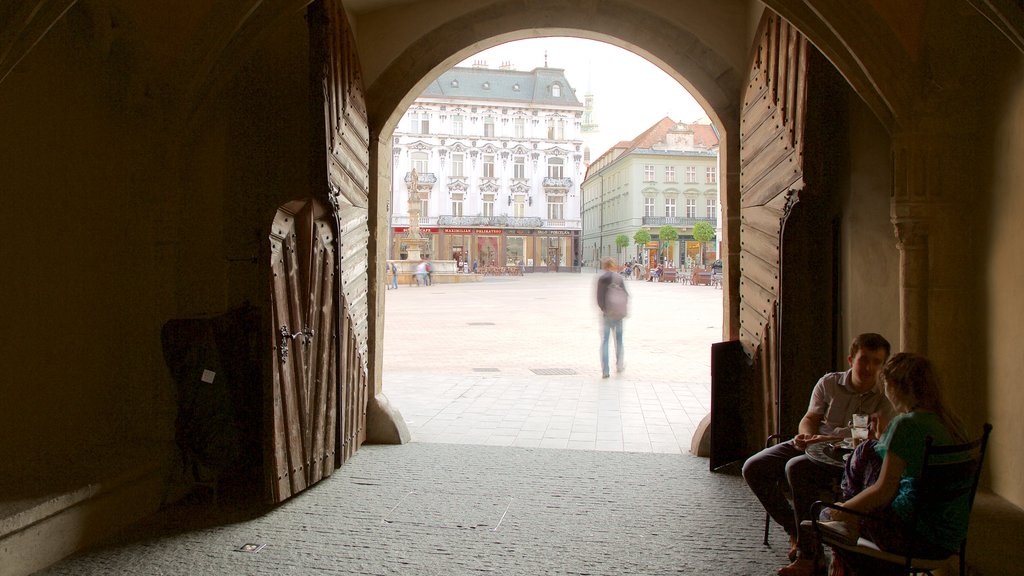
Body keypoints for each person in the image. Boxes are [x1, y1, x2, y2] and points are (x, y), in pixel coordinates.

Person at [741, 333, 896, 576]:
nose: (869, 367)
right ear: (850, 359)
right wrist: (806, 436)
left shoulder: (883, 401)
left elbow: (875, 443)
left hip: (844, 459)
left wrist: (832, 439)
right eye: (864, 360)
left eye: (877, 362)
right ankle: (797, 530)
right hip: (812, 444)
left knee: (796, 468)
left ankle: (809, 556)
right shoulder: (829, 383)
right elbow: (810, 419)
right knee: (753, 467)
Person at [823, 353, 968, 576]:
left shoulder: (907, 424)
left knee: (826, 517)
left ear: (896, 387)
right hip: (948, 536)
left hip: (913, 537)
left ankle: (857, 556)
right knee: (868, 450)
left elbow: (884, 490)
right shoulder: (951, 421)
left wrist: (842, 510)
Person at [595, 257, 628, 379]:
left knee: (605, 341)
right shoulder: (618, 278)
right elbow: (626, 295)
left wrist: (604, 309)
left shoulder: (601, 278)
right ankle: (619, 366)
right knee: (619, 340)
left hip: (607, 314)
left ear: (605, 266)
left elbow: (599, 298)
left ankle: (605, 370)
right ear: (612, 266)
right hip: (618, 314)